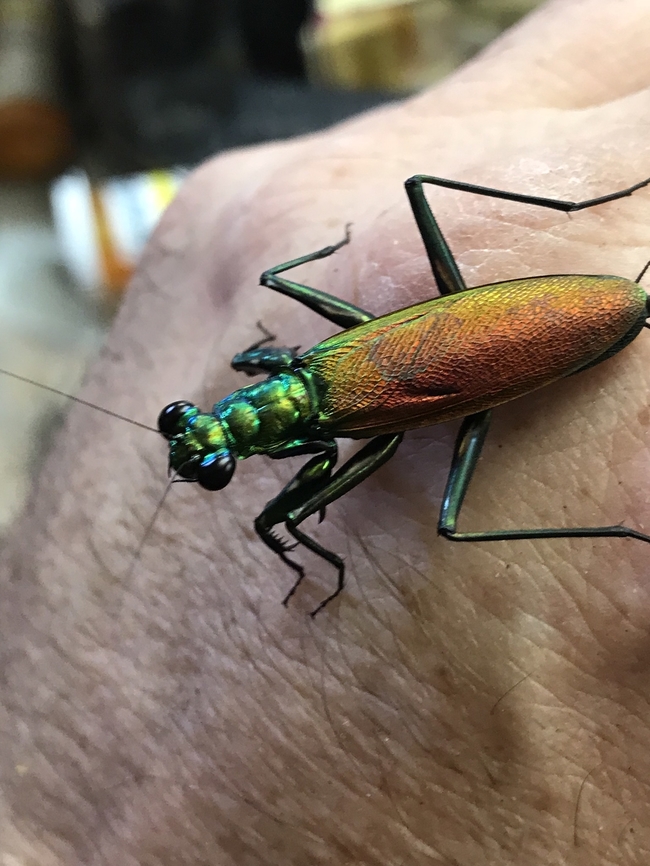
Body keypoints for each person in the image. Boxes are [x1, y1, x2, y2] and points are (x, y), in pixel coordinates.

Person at [3, 0, 650, 861]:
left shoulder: (322, 439)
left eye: (192, 432)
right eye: (208, 454)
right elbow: (275, 296)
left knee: (440, 520)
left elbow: (284, 522)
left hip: (524, 331)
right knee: (392, 215)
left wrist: (319, 559)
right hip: (449, 347)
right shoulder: (285, 370)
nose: (200, 437)